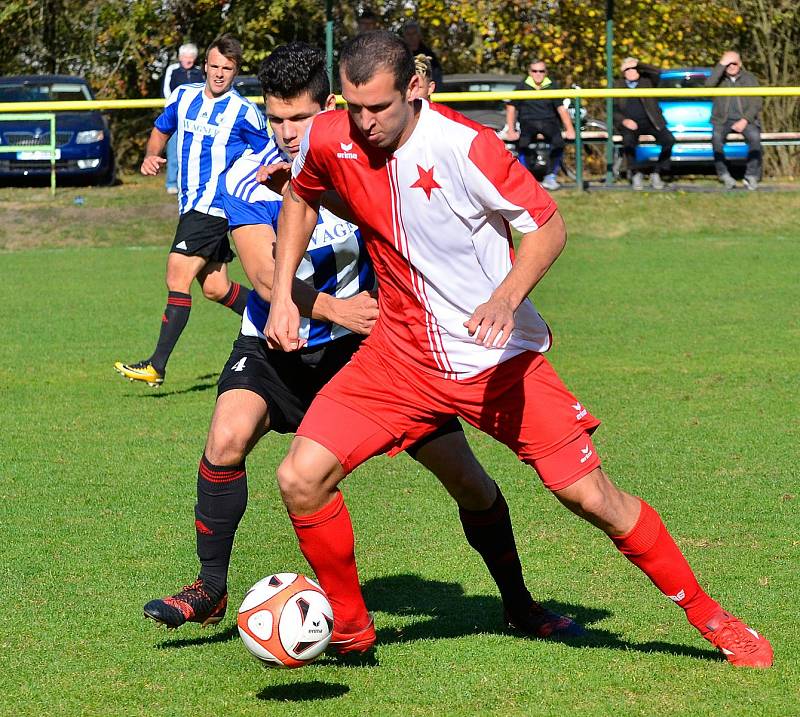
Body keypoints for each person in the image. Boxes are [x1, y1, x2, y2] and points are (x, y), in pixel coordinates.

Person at [265, 31, 773, 668]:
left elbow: (548, 225)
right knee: (300, 478)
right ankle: (353, 632)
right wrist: (284, 294)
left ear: (415, 88)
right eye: (354, 108)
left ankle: (713, 619)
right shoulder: (329, 135)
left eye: (379, 109)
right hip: (399, 359)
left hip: (498, 363)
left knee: (593, 499)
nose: (364, 124)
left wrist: (505, 298)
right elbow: (301, 195)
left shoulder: (464, 146)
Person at [141, 42, 580, 645]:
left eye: (299, 117)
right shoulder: (247, 177)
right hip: (279, 344)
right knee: (225, 438)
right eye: (275, 118)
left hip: (375, 356)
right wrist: (334, 309)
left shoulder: (363, 158)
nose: (287, 132)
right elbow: (266, 277)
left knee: (468, 481)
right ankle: (209, 587)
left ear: (327, 108)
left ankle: (519, 603)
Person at [114, 34, 280, 388]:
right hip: (190, 205)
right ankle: (279, 317)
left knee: (177, 275)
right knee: (217, 288)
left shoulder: (245, 112)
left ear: (236, 72)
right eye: (215, 66)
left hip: (214, 207)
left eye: (228, 69)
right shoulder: (184, 96)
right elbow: (162, 128)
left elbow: (270, 154)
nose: (219, 74)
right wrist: (150, 155)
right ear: (205, 65)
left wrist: (260, 183)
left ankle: (157, 365)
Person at [505, 59, 575, 191]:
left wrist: (570, 129)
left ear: (546, 72)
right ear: (529, 72)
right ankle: (527, 178)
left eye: (541, 71)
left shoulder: (552, 85)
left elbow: (561, 108)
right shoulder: (522, 86)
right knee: (522, 143)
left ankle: (550, 176)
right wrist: (511, 130)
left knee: (559, 143)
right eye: (534, 71)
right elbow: (511, 108)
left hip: (549, 122)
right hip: (528, 122)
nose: (538, 74)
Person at [613, 57, 675, 191]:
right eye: (627, 69)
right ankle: (635, 173)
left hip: (651, 122)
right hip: (629, 124)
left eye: (633, 69)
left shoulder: (647, 81)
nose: (631, 72)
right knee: (628, 141)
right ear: (623, 72)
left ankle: (657, 172)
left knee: (669, 140)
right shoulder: (617, 85)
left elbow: (658, 72)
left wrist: (639, 64)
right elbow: (612, 109)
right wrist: (624, 121)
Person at [706, 51, 762, 191]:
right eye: (727, 63)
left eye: (734, 63)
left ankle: (751, 176)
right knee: (716, 139)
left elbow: (757, 102)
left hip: (745, 120)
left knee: (755, 138)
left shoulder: (750, 79)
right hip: (722, 121)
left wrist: (745, 120)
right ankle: (724, 175)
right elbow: (708, 86)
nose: (731, 66)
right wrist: (721, 65)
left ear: (740, 64)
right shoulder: (718, 79)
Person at [162, 43, 204, 195]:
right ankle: (171, 182)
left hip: (195, 117)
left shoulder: (199, 72)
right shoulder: (172, 70)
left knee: (194, 150)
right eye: (186, 56)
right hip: (176, 115)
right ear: (180, 58)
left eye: (192, 57)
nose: (189, 60)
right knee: (173, 149)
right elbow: (167, 91)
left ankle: (190, 182)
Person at [402, 21, 442, 87]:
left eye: (414, 33)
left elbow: (436, 76)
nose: (411, 37)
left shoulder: (429, 54)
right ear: (404, 36)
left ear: (419, 35)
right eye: (408, 34)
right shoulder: (400, 54)